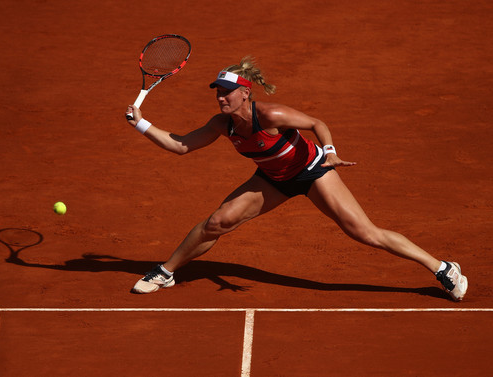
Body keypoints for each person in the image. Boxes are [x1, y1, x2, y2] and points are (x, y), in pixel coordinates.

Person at [125, 56, 468, 301]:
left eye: (226, 91)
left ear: (245, 93)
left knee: (364, 232)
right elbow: (182, 146)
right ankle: (166, 272)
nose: (220, 97)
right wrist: (141, 123)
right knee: (218, 221)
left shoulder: (272, 114)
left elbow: (317, 123)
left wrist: (330, 151)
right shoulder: (221, 124)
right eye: (217, 91)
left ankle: (442, 268)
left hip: (313, 172)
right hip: (274, 178)